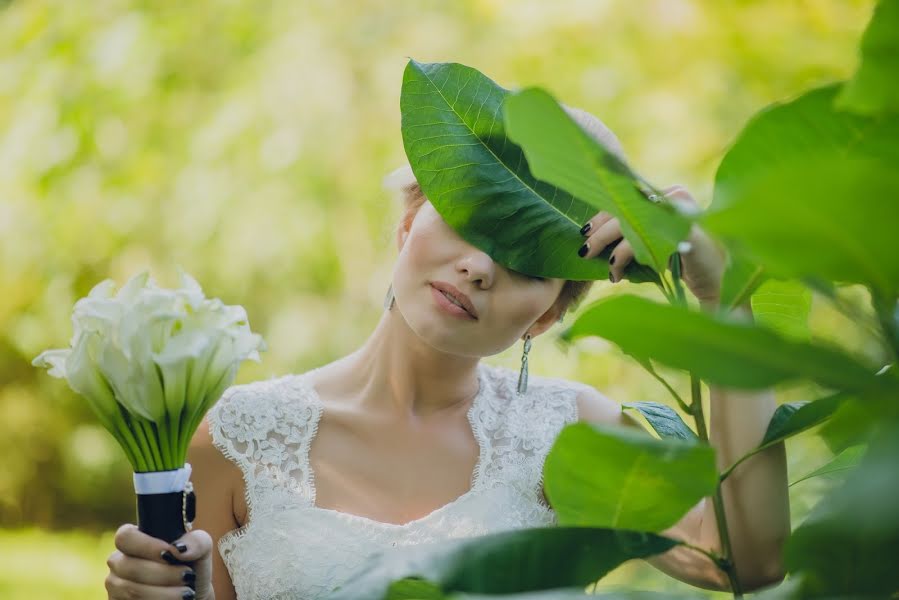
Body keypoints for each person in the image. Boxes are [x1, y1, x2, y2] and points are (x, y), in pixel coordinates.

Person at [104, 106, 789, 599]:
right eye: (469, 221)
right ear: (408, 222)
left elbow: (744, 562)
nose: (481, 269)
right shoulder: (233, 437)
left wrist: (721, 298)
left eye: (528, 264)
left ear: (545, 317)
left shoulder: (570, 435)